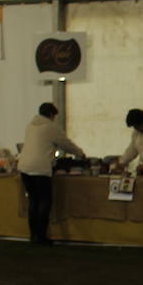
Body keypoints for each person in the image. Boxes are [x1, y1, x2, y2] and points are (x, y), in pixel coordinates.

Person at [18, 102, 84, 246]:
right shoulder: (50, 127)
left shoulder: (30, 126)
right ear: (51, 114)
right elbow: (66, 144)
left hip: (24, 167)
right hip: (40, 168)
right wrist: (80, 154)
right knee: (44, 201)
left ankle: (33, 234)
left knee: (33, 201)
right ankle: (41, 236)